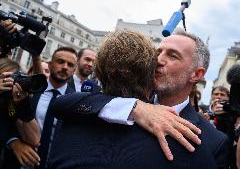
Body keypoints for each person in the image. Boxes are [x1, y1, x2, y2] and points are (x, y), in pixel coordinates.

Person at [48, 29, 228, 168]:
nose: (158, 60)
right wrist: (133, 107)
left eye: (172, 55)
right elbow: (62, 104)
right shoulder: (120, 111)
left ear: (197, 74)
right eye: (158, 52)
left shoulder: (212, 141)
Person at [0, 58, 41, 168]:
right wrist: (12, 142)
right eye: (6, 78)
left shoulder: (13, 102)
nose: (11, 83)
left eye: (15, 79)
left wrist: (23, 104)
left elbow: (35, 139)